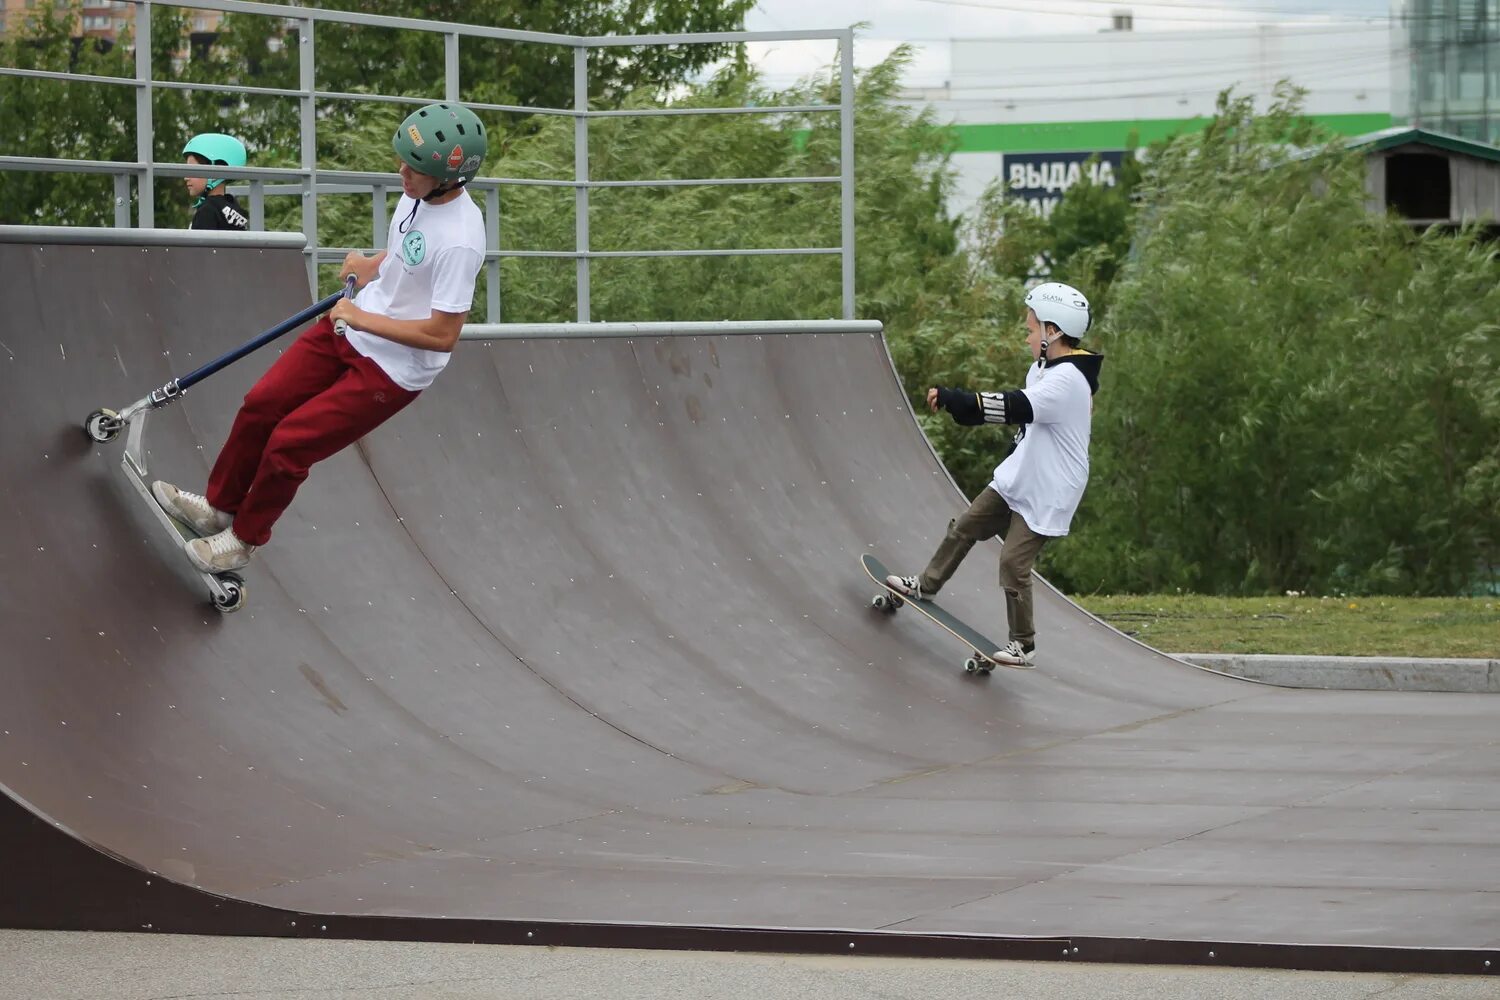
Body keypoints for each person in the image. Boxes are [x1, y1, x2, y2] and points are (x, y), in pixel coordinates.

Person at [153, 102, 489, 574]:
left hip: (393, 369)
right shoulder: (420, 194)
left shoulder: (461, 239)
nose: (401, 174)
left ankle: (243, 539)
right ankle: (218, 507)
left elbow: (442, 334)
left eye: (412, 169)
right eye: (402, 162)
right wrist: (369, 268)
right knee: (261, 404)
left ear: (449, 178)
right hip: (351, 326)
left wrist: (360, 317)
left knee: (290, 443)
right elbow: (406, 258)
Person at [885, 282, 1103, 667]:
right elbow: (1021, 418)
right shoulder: (1044, 369)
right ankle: (926, 585)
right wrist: (967, 413)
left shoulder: (1067, 380)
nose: (1026, 336)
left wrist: (957, 399)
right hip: (1022, 472)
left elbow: (1014, 405)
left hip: (1050, 488)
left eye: (1031, 329)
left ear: (1052, 332)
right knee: (966, 525)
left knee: (1012, 564)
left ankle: (1024, 644)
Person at [183, 133, 250, 232]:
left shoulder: (207, 211)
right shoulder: (233, 207)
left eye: (193, 170)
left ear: (214, 173)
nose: (186, 177)